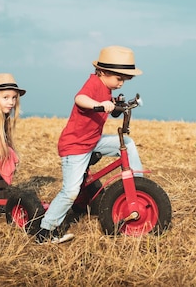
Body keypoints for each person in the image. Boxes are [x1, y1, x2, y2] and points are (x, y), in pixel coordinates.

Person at [35, 46, 144, 244]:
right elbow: (80, 99)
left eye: (124, 80)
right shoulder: (93, 83)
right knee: (70, 192)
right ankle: (45, 231)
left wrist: (117, 106)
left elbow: (111, 108)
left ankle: (138, 185)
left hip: (92, 142)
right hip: (75, 146)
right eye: (119, 78)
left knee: (127, 142)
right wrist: (101, 105)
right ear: (102, 72)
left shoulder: (107, 88)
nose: (121, 83)